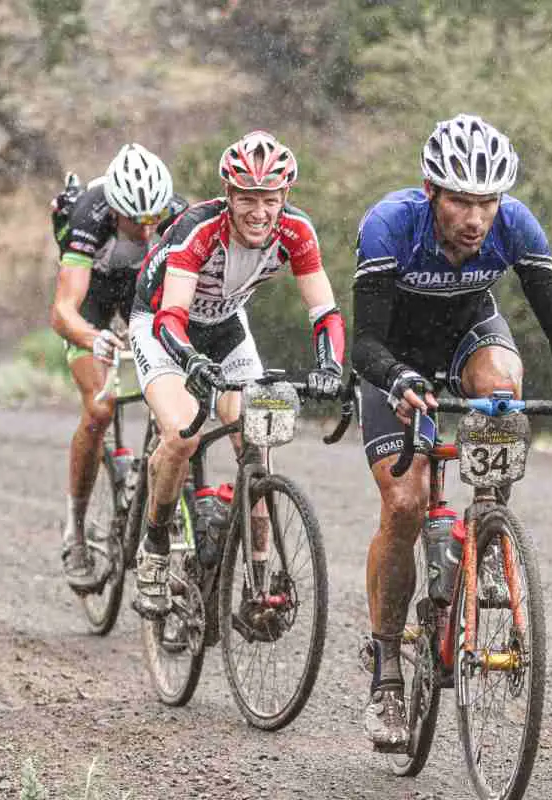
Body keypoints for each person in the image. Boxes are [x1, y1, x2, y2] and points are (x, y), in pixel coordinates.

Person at [351, 113, 552, 751]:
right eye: (462, 202)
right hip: (393, 359)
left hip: (469, 340)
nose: (476, 219)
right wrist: (394, 378)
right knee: (407, 504)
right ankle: (388, 670)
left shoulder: (515, 225)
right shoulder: (389, 226)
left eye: (487, 202)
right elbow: (362, 340)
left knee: (503, 385)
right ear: (431, 192)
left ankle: (488, 527)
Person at [127, 130, 346, 618]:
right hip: (163, 326)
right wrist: (191, 362)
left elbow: (324, 312)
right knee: (183, 435)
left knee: (256, 447)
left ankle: (260, 585)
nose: (259, 211)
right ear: (228, 196)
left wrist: (329, 364)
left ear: (285, 198)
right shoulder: (198, 230)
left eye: (270, 199)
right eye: (247, 198)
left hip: (227, 325)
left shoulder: (297, 232)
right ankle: (155, 546)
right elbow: (171, 317)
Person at [50, 142, 186, 591]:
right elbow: (63, 310)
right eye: (136, 222)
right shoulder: (90, 215)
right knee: (101, 410)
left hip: (139, 293)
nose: (147, 231)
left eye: (154, 220)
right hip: (93, 297)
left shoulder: (174, 216)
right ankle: (75, 530)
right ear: (115, 210)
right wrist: (94, 337)